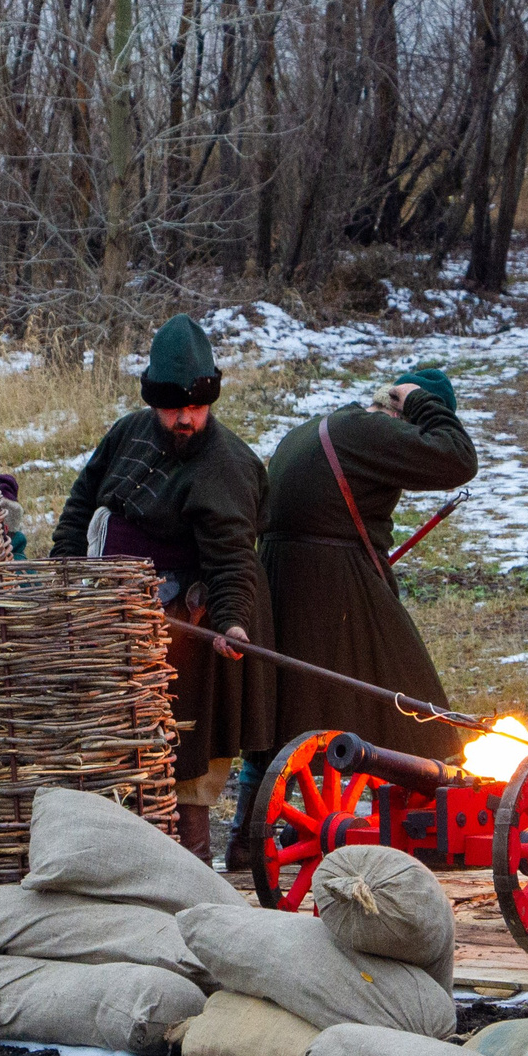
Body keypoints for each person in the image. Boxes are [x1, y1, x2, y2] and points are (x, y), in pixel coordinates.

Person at [50, 314, 274, 861]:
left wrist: (232, 621)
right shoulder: (129, 432)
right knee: (118, 743)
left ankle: (190, 865)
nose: (185, 419)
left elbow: (231, 560)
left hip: (190, 625)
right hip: (118, 616)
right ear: (154, 401)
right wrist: (63, 570)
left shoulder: (225, 466)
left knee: (181, 750)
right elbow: (83, 501)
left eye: (195, 407)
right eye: (174, 407)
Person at [236, 368, 477, 869]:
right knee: (411, 697)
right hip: (327, 581)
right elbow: (457, 457)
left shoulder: (327, 427)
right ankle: (437, 819)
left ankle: (244, 835)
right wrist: (423, 404)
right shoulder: (373, 431)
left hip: (283, 576)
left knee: (282, 708)